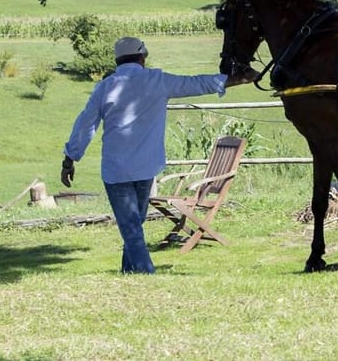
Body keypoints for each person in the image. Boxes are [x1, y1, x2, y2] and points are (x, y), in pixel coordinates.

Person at [60, 36, 258, 274]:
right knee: (134, 225)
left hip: (116, 169)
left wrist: (70, 158)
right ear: (142, 57)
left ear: (117, 60)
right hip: (146, 167)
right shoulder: (157, 80)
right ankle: (143, 273)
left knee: (132, 226)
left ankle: (134, 272)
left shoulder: (105, 87)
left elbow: (85, 125)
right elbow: (196, 84)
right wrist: (235, 80)